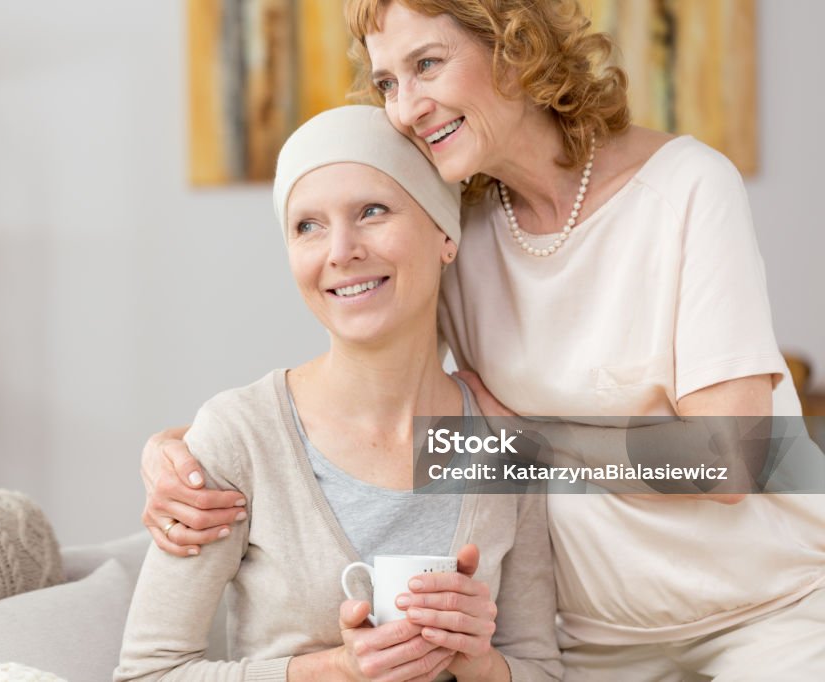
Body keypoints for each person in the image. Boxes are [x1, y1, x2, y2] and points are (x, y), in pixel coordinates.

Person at [141, 1, 825, 680]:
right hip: (592, 637)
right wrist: (182, 455)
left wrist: (529, 443)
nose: (406, 107)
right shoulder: (459, 230)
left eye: (427, 65)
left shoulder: (685, 188)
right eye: (387, 83)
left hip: (766, 610)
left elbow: (732, 460)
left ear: (516, 45)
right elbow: (362, 396)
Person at [115, 105, 562, 682]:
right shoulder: (238, 438)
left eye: (372, 211)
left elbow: (542, 672)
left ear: (444, 234)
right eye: (308, 226)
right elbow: (147, 672)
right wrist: (335, 670)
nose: (340, 250)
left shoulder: (506, 450)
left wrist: (477, 659)